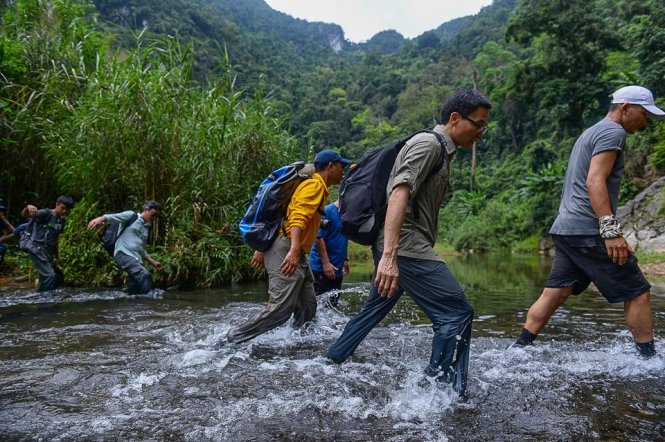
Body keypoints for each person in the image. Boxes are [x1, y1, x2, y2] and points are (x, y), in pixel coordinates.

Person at [327, 89, 491, 396]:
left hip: (400, 246)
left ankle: (332, 360)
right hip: (404, 245)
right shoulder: (428, 144)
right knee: (456, 313)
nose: (482, 132)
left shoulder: (440, 149)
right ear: (455, 119)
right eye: (478, 124)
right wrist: (390, 256)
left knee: (373, 310)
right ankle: (441, 395)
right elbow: (399, 192)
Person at [514, 85, 665, 358]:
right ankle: (649, 362)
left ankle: (518, 350)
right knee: (638, 291)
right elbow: (594, 180)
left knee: (556, 292)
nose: (645, 122)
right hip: (588, 229)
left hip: (566, 228)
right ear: (625, 108)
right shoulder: (613, 131)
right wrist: (610, 231)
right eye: (644, 114)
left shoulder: (591, 131)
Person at [227, 150, 351, 344]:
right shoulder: (315, 186)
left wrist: (266, 248)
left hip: (293, 249)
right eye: (341, 167)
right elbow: (297, 218)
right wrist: (293, 250)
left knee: (308, 307)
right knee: (280, 310)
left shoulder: (313, 186)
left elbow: (283, 215)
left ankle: (299, 345)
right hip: (287, 249)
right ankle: (233, 339)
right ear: (331, 167)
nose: (343, 172)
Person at [87, 201, 163, 294]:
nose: (154, 218)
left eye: (156, 216)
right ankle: (147, 304)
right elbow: (113, 217)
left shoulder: (146, 228)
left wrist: (153, 262)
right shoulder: (131, 216)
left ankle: (131, 305)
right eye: (153, 215)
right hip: (123, 253)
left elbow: (141, 249)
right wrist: (100, 219)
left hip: (136, 259)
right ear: (146, 210)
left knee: (134, 287)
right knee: (144, 274)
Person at [20, 195, 74, 292]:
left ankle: (46, 298)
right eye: (63, 208)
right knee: (50, 276)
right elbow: (26, 215)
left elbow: (55, 238)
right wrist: (28, 207)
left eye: (68, 209)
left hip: (48, 250)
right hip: (36, 247)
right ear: (56, 205)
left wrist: (56, 256)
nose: (65, 211)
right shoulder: (45, 213)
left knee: (57, 276)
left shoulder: (62, 220)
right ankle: (44, 300)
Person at [309, 199, 350, 307]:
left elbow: (343, 237)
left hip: (337, 267)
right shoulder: (327, 211)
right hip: (321, 266)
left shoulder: (347, 214)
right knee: (317, 304)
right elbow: (319, 238)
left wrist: (345, 259)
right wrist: (326, 263)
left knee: (332, 304)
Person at [0, 199, 15, 266]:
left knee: (2, 248)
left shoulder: (2, 220)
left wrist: (2, 238)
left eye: (1, 211)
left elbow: (15, 232)